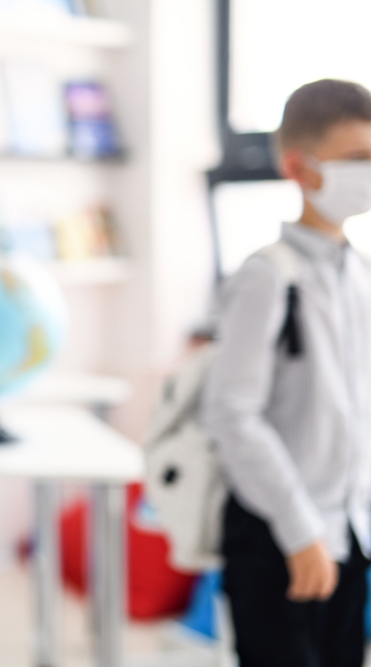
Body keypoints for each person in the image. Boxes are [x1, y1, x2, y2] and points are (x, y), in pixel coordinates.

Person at [203, 79, 371, 667]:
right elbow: (231, 414)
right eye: (357, 160)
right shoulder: (267, 276)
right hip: (280, 535)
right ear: (299, 166)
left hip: (349, 536)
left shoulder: (359, 274)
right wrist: (301, 531)